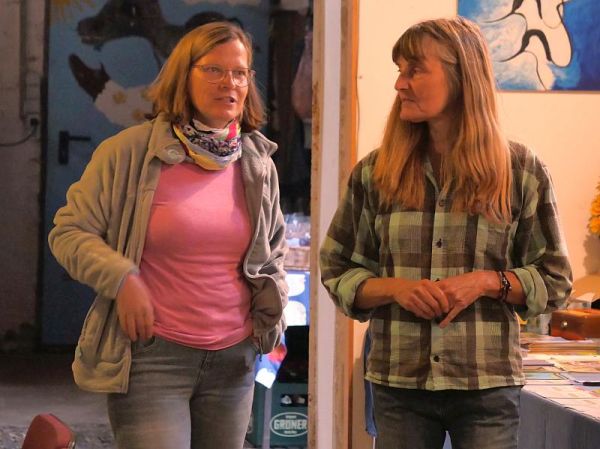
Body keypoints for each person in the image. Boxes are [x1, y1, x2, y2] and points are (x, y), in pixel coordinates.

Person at [320, 16, 572, 449]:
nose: (400, 84)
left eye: (415, 70)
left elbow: (555, 279)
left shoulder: (521, 170)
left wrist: (487, 282)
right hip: (399, 383)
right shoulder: (375, 173)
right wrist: (397, 289)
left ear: (462, 76)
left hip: (487, 385)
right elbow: (336, 269)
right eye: (400, 70)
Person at [48, 21, 288, 449]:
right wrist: (122, 278)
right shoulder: (130, 153)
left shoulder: (257, 162)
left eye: (240, 72)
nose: (229, 83)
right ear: (183, 75)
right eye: (213, 70)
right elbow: (69, 231)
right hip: (153, 358)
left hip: (234, 359)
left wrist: (269, 313)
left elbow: (272, 252)